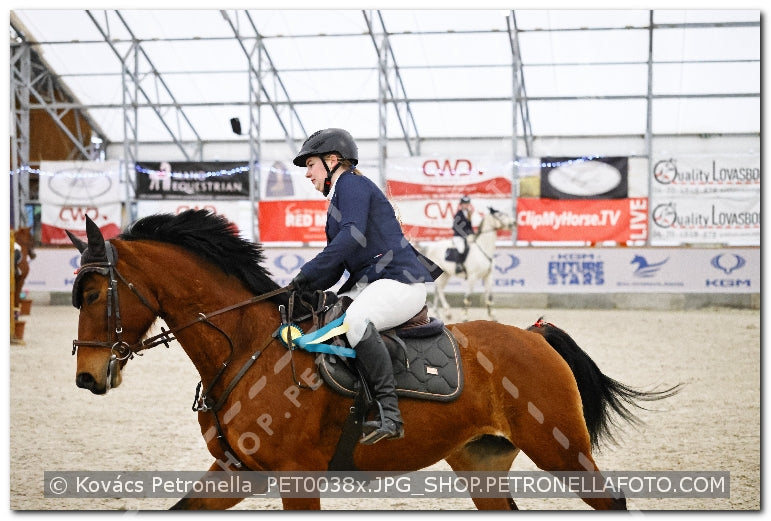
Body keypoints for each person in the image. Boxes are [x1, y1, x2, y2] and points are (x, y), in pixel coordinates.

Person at [289, 128, 441, 445]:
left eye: (311, 165)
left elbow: (353, 238)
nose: (307, 174)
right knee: (325, 312)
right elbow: (338, 264)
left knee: (357, 321)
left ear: (333, 161)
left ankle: (390, 414)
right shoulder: (340, 198)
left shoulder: (353, 185)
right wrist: (302, 288)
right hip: (373, 283)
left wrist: (307, 272)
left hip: (401, 283)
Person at [452, 195, 475, 274]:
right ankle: (459, 265)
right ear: (461, 204)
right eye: (465, 203)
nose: (466, 205)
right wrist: (464, 234)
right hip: (458, 236)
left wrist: (473, 234)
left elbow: (469, 226)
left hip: (467, 237)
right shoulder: (459, 214)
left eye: (467, 203)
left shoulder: (468, 213)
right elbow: (455, 226)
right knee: (461, 248)